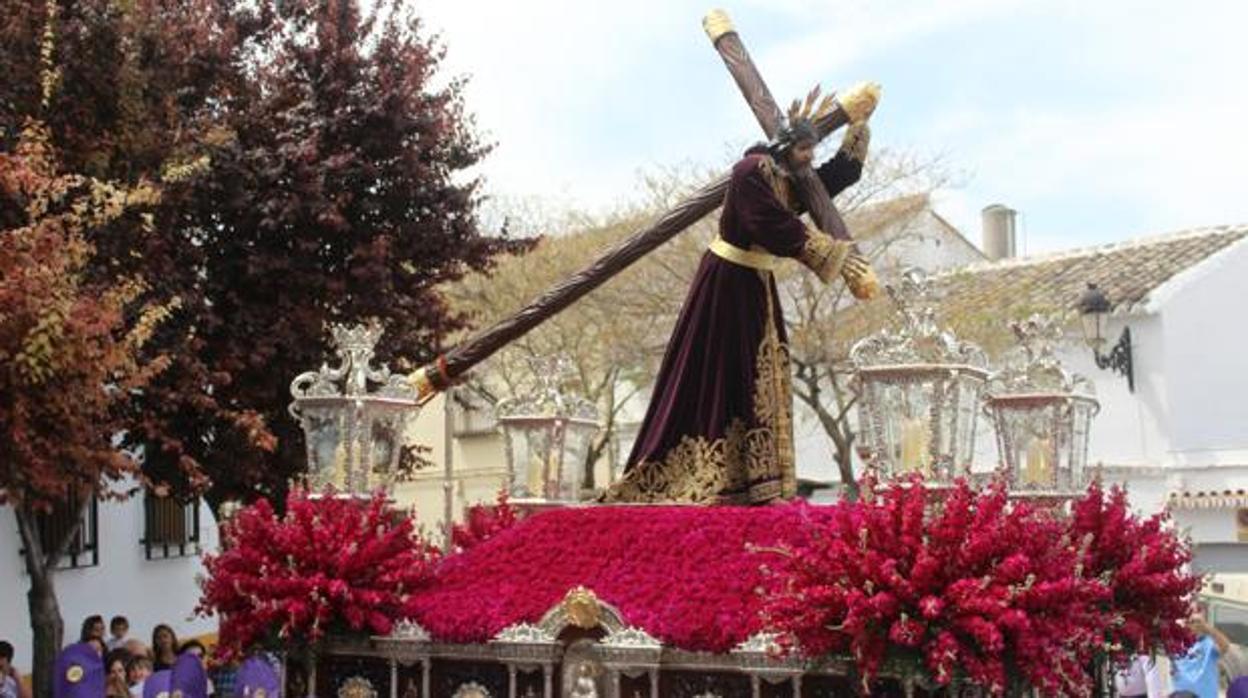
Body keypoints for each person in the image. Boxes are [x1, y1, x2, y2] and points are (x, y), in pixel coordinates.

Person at [602, 88, 878, 504]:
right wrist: (836, 256)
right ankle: (709, 476)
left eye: (812, 149)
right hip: (726, 286)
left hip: (756, 287)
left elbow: (834, 180)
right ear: (786, 146)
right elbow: (770, 225)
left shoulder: (786, 180)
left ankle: (758, 481)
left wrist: (858, 129)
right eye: (805, 149)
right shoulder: (750, 172)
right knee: (722, 375)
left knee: (760, 378)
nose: (809, 158)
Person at [1171, 611, 1231, 698]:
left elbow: (1225, 647)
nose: (1193, 625)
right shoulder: (1176, 643)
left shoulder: (1209, 642)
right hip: (1181, 694)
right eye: (1189, 621)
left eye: (1196, 621)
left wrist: (1208, 629)